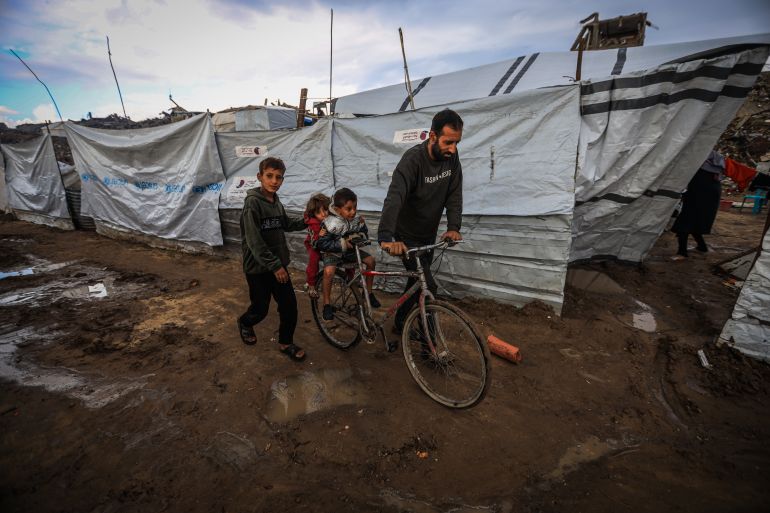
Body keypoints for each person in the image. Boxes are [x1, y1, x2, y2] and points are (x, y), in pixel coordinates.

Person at [378, 109, 464, 334]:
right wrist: (386, 237)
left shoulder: (452, 158)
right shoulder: (413, 160)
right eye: (448, 142)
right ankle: (431, 348)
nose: (453, 149)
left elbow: (454, 194)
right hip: (406, 236)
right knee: (429, 287)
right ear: (432, 136)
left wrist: (454, 227)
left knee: (416, 284)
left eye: (456, 143)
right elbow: (395, 197)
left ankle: (400, 324)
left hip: (428, 233)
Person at [237, 157, 308, 361]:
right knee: (260, 309)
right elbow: (254, 241)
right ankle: (245, 322)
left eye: (279, 177)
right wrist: (275, 265)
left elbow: (285, 224)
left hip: (278, 266)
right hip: (258, 269)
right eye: (269, 176)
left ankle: (286, 343)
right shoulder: (252, 204)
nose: (274, 181)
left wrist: (306, 220)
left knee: (289, 306)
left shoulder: (276, 202)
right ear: (260, 177)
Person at [316, 187, 380, 320]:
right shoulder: (329, 222)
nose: (353, 211)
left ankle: (368, 293)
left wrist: (360, 235)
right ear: (338, 210)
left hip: (350, 251)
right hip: (332, 252)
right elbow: (322, 244)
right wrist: (342, 244)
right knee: (329, 272)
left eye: (355, 207)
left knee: (371, 261)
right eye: (349, 209)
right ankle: (327, 304)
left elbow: (364, 232)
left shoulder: (355, 218)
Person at [671, 150, 724, 261]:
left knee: (684, 224)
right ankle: (702, 247)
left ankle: (682, 253)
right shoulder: (717, 165)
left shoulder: (699, 165)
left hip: (698, 196)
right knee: (696, 223)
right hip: (709, 197)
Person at [303, 193, 330, 298]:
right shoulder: (314, 223)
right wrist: (319, 235)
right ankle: (311, 285)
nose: (323, 214)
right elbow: (314, 240)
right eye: (319, 212)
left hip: (326, 243)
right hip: (313, 244)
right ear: (313, 214)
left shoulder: (330, 220)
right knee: (314, 260)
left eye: (326, 210)